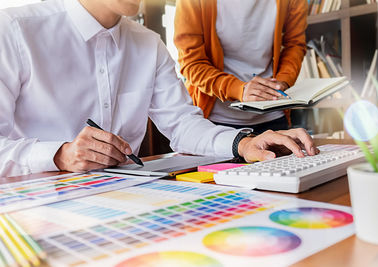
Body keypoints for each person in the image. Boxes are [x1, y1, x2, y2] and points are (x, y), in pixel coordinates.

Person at [0, 0, 317, 178]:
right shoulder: (14, 30)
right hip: (32, 215)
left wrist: (244, 143)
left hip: (123, 203)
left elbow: (183, 126)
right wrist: (58, 154)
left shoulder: (148, 43)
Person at [174, 0, 308, 133]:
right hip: (216, 120)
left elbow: (295, 44)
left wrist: (283, 80)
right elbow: (191, 63)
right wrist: (239, 89)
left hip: (274, 113)